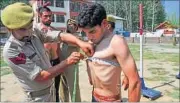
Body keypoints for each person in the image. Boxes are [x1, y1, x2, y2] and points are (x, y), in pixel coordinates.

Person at [1, 2, 94, 102]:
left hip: (51, 91)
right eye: (23, 29)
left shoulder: (34, 31)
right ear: (10, 29)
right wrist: (67, 62)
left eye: (30, 25)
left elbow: (59, 36)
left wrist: (79, 42)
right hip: (38, 98)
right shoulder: (12, 51)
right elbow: (41, 76)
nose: (28, 31)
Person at [77, 3, 141, 102]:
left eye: (92, 32)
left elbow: (135, 81)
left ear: (104, 23)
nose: (89, 37)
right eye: (85, 33)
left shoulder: (116, 42)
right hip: (94, 97)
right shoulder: (91, 42)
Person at [36, 5, 67, 102]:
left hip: (56, 61)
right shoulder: (36, 31)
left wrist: (62, 64)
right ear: (40, 16)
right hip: (44, 63)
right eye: (45, 16)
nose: (49, 18)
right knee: (46, 89)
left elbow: (58, 49)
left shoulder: (55, 31)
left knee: (56, 88)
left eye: (50, 16)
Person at [61, 19, 81, 102]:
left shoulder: (77, 37)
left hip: (71, 66)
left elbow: (65, 40)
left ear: (76, 27)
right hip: (62, 64)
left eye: (73, 24)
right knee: (63, 88)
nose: (70, 25)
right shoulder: (64, 35)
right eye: (69, 24)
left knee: (73, 88)